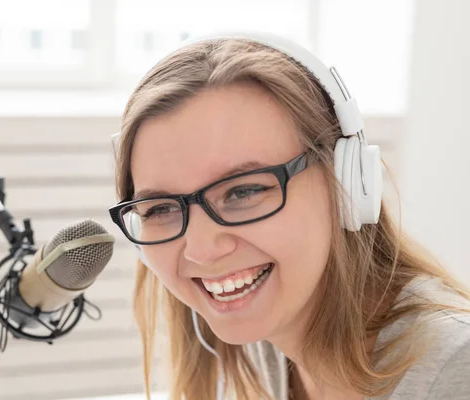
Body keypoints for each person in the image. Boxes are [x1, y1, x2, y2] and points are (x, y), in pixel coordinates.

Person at [107, 32, 470, 400]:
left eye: (243, 191)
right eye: (161, 209)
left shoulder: (454, 370)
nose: (201, 250)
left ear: (344, 184)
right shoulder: (263, 345)